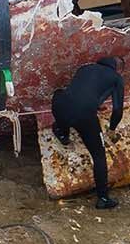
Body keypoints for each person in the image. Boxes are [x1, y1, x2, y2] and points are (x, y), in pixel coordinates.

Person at [51, 57, 125, 210]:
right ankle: (103, 198)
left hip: (59, 106)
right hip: (83, 116)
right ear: (118, 69)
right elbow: (117, 110)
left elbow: (81, 91)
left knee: (62, 99)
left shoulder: (85, 68)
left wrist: (95, 105)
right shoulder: (116, 78)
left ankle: (63, 134)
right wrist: (112, 128)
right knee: (99, 155)